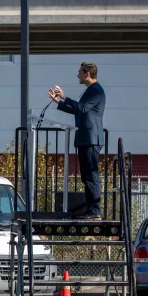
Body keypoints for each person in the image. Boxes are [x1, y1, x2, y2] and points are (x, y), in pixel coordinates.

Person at [49, 61, 106, 219]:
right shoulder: (90, 91)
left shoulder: (96, 91)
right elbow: (78, 111)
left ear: (87, 74)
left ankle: (95, 211)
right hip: (86, 139)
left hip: (91, 139)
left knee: (91, 176)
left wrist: (65, 97)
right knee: (86, 176)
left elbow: (81, 108)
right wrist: (58, 102)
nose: (77, 75)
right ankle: (92, 210)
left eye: (80, 72)